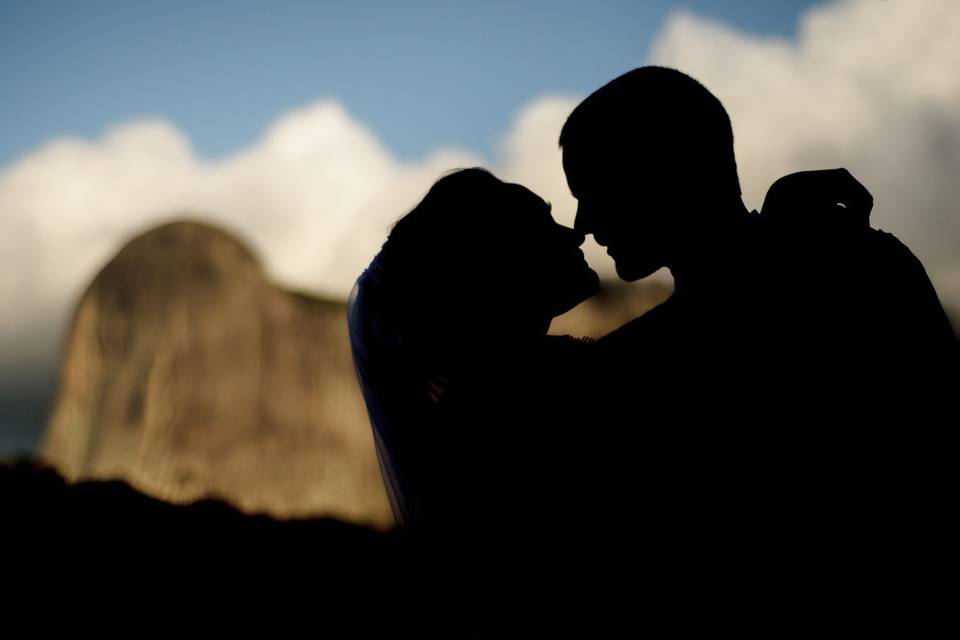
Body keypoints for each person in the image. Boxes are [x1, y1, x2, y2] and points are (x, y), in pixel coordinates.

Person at [558, 66, 957, 581]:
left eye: (595, 188)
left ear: (667, 166)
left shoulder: (854, 269)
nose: (583, 222)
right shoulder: (859, 261)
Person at [347, 168, 599, 541]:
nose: (574, 232)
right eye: (541, 223)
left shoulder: (478, 396)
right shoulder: (537, 390)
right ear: (496, 263)